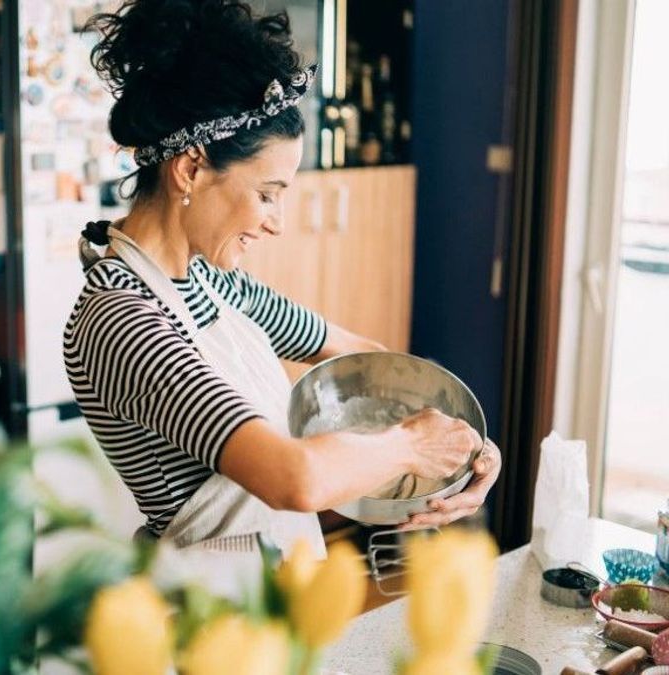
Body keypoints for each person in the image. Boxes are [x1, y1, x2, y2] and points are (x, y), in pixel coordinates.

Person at [64, 0, 502, 563]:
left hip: (276, 594)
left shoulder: (215, 283)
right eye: (266, 194)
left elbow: (364, 362)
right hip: (204, 618)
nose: (276, 222)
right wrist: (412, 444)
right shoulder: (121, 319)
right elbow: (293, 478)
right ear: (191, 169)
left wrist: (467, 447)